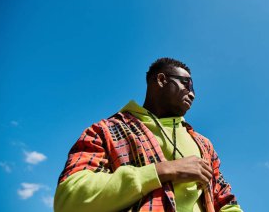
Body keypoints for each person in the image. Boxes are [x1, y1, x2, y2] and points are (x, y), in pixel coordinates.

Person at [54, 57, 243, 212]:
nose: (192, 94)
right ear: (161, 80)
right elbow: (69, 198)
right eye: (186, 84)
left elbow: (225, 201)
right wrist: (164, 170)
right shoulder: (105, 131)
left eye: (193, 89)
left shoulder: (203, 144)